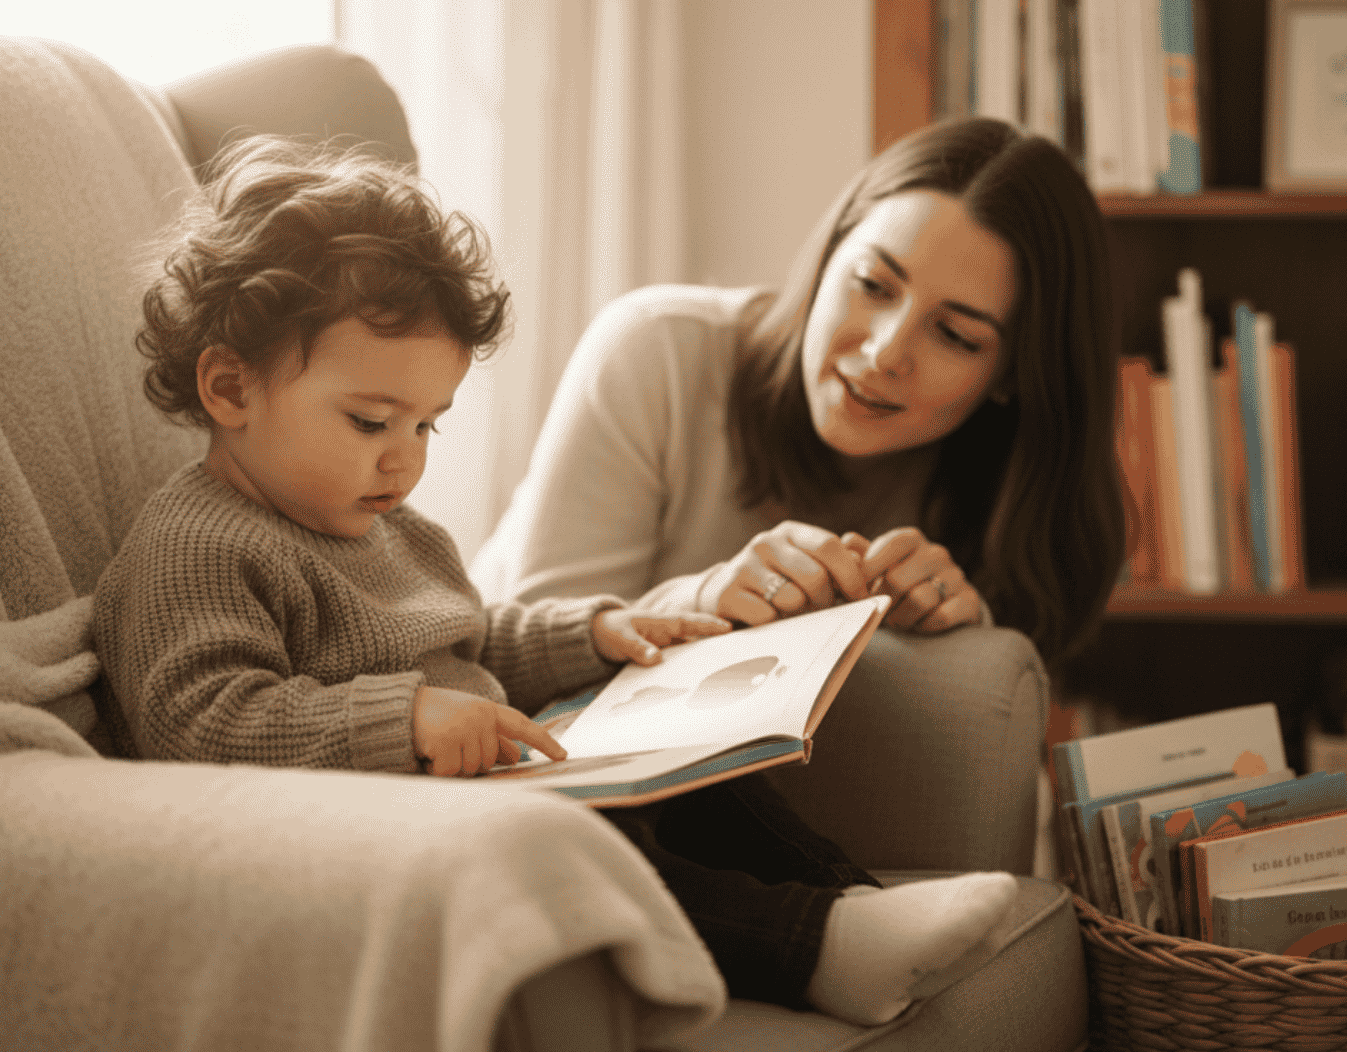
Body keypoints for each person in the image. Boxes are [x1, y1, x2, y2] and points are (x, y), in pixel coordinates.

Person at [94, 137, 1019, 1026]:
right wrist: (404, 721)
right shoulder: (198, 545)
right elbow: (201, 721)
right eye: (373, 421)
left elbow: (473, 637)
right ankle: (818, 949)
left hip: (484, 791)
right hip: (372, 837)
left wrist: (595, 634)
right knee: (588, 859)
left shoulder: (383, 526)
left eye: (428, 426)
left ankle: (849, 899)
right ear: (229, 389)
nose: (405, 462)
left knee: (699, 777)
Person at [474, 116, 1124, 695]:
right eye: (872, 284)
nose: (884, 351)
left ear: (1014, 374)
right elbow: (527, 662)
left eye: (955, 335)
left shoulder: (1004, 484)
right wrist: (705, 598)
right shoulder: (656, 349)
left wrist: (962, 626)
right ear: (827, 256)